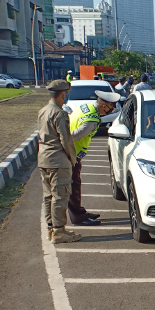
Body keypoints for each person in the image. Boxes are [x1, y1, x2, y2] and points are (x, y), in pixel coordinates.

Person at [37, 80, 81, 244]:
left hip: (44, 158)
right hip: (57, 160)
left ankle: (52, 228)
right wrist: (72, 158)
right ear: (63, 94)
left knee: (48, 196)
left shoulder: (43, 111)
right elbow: (66, 140)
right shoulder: (59, 114)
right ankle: (59, 232)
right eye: (67, 93)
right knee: (60, 195)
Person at [67, 90, 120, 226]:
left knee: (75, 185)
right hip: (72, 154)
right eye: (111, 107)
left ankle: (80, 211)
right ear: (104, 106)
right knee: (74, 187)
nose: (111, 110)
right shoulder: (92, 120)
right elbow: (74, 135)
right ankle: (78, 217)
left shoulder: (86, 107)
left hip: (70, 153)